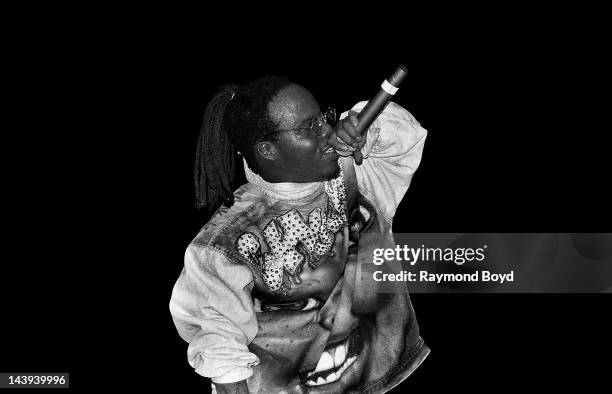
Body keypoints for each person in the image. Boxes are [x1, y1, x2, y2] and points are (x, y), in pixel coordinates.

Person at [169, 75, 429, 393]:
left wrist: (365, 126)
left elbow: (404, 137)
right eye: (309, 127)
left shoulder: (357, 170)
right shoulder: (225, 241)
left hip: (393, 374)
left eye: (324, 118)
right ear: (268, 149)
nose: (327, 132)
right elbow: (216, 340)